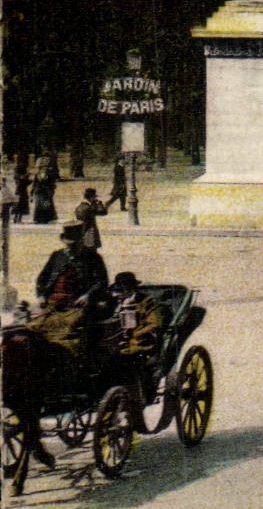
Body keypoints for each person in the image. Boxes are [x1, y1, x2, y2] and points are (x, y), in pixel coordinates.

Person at [26, 222, 111, 360]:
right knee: (35, 328)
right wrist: (41, 295)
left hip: (76, 306)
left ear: (81, 240)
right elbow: (42, 279)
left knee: (67, 330)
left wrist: (87, 295)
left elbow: (102, 281)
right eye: (68, 244)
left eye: (74, 244)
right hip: (53, 304)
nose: (71, 248)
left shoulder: (93, 258)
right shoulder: (57, 256)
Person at [106, 271, 164, 359]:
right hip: (118, 344)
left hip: (139, 345)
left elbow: (155, 324)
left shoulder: (146, 302)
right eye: (117, 290)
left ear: (129, 289)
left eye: (121, 290)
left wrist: (136, 334)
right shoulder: (117, 303)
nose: (118, 294)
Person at [30, 153, 57, 224]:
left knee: (46, 205)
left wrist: (52, 191)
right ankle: (39, 219)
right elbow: (34, 184)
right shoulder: (37, 174)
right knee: (39, 205)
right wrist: (31, 193)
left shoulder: (49, 173)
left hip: (46, 192)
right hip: (39, 191)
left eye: (45, 166)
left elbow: (52, 183)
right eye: (42, 166)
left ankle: (46, 218)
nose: (44, 168)